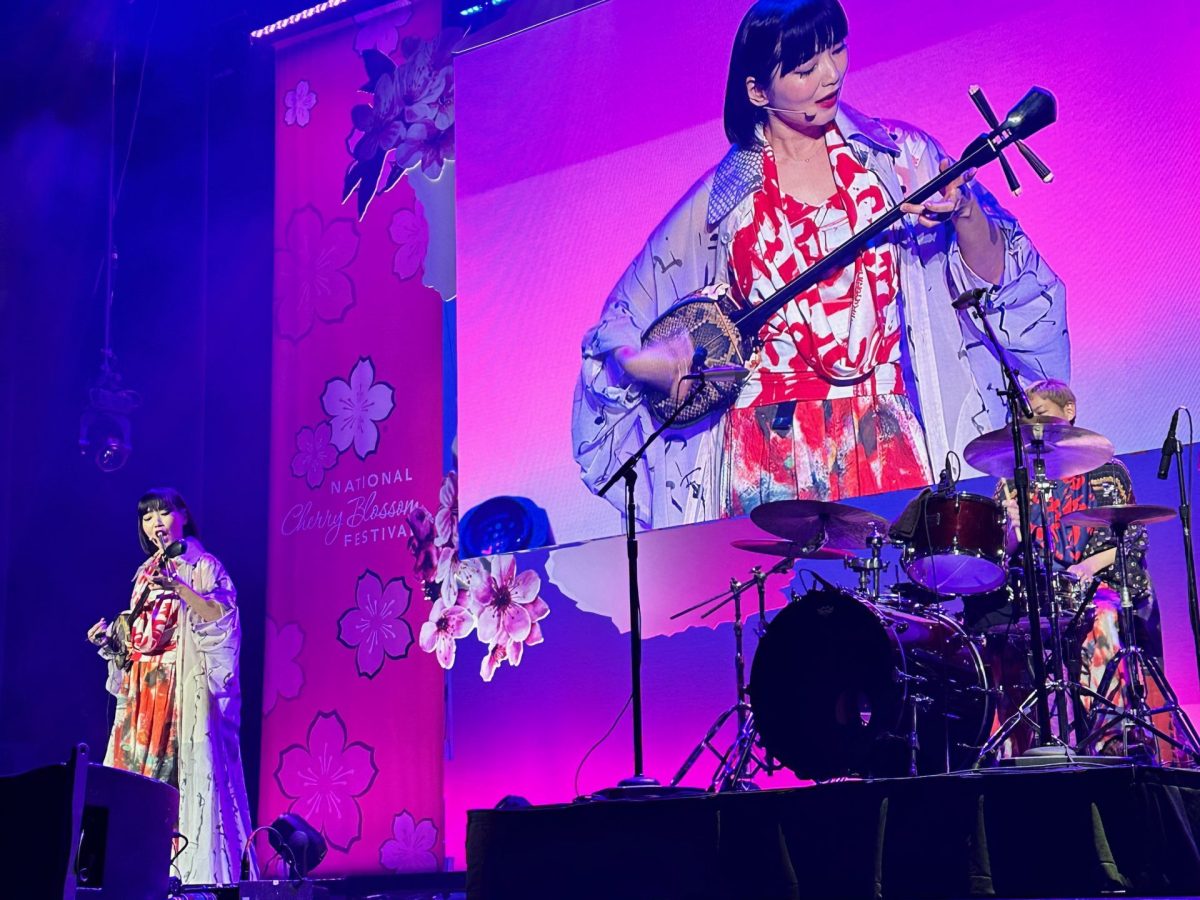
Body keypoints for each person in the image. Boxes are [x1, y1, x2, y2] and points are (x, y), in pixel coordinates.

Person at [572, 0, 1067, 528]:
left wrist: (965, 210)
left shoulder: (899, 158)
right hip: (764, 453)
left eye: (838, 50)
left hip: (885, 434)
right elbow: (621, 322)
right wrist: (642, 360)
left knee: (899, 599)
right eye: (805, 68)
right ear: (757, 90)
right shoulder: (720, 205)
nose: (831, 75)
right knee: (780, 604)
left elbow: (1006, 280)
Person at [993, 379, 1171, 757]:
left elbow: (1134, 538)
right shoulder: (1015, 480)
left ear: (1069, 411)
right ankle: (1018, 750)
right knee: (1005, 636)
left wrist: (1089, 565)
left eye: (1042, 415)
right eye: (1028, 420)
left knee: (1101, 620)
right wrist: (1011, 532)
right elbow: (1006, 553)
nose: (1035, 427)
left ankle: (1111, 743)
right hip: (1041, 597)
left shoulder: (1107, 471)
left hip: (1100, 588)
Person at [87, 488, 254, 883]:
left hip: (181, 694)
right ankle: (131, 877)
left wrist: (180, 587)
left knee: (177, 787)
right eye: (147, 517)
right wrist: (111, 642)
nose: (155, 523)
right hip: (145, 697)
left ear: (183, 516)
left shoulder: (203, 567)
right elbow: (138, 642)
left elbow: (221, 620)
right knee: (135, 787)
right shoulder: (144, 574)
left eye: (163, 513)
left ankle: (184, 878)